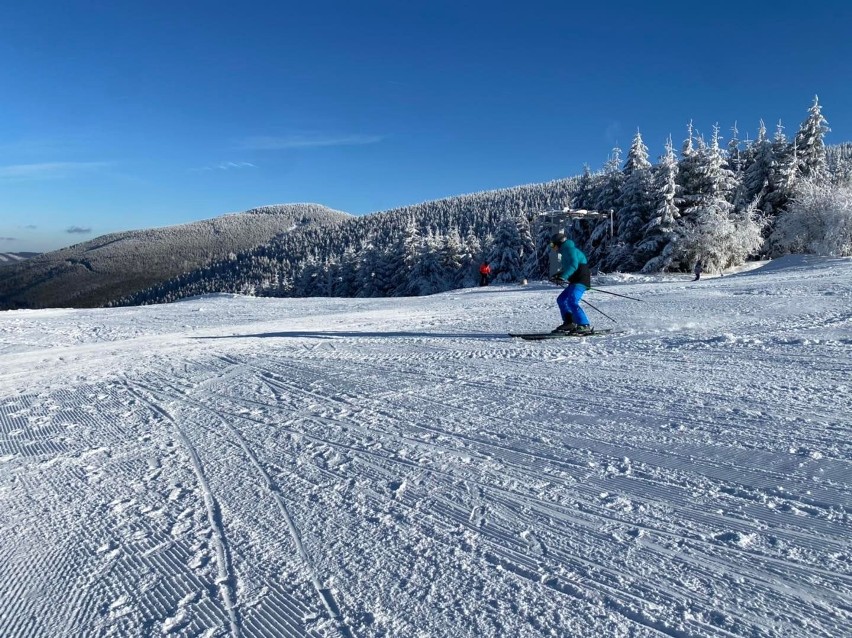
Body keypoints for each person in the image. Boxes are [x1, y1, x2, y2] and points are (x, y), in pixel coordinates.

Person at [550, 233, 593, 334]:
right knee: (561, 299)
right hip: (575, 281)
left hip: (581, 280)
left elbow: (574, 265)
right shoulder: (565, 251)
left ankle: (584, 324)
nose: (552, 248)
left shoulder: (570, 250)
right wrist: (558, 275)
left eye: (552, 245)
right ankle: (569, 322)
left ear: (559, 243)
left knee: (572, 301)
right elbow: (567, 267)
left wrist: (563, 277)